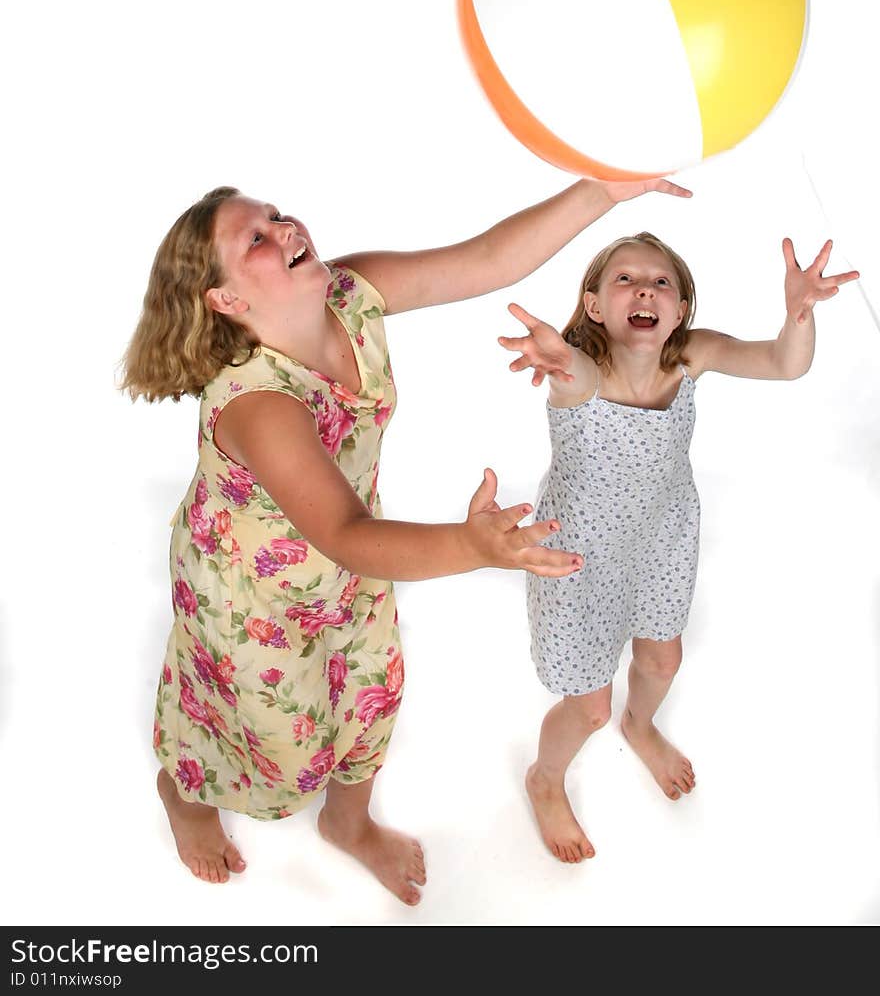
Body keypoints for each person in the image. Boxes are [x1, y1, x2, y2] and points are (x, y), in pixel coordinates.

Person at [121, 176, 689, 904]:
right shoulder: (258, 403)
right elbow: (344, 533)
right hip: (253, 595)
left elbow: (487, 259)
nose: (286, 227)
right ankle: (185, 794)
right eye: (256, 239)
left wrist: (600, 192)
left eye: (276, 215)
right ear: (226, 301)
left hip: (354, 561)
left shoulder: (350, 294)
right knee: (270, 741)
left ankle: (349, 825)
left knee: (371, 692)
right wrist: (474, 546)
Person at [498, 231, 858, 865]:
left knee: (662, 663)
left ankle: (640, 726)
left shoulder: (690, 356)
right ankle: (545, 779)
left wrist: (797, 314)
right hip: (578, 555)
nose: (645, 289)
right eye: (626, 280)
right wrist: (554, 355)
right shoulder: (581, 373)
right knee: (586, 708)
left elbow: (784, 362)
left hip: (660, 534)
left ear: (681, 309)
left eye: (662, 283)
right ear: (594, 307)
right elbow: (571, 371)